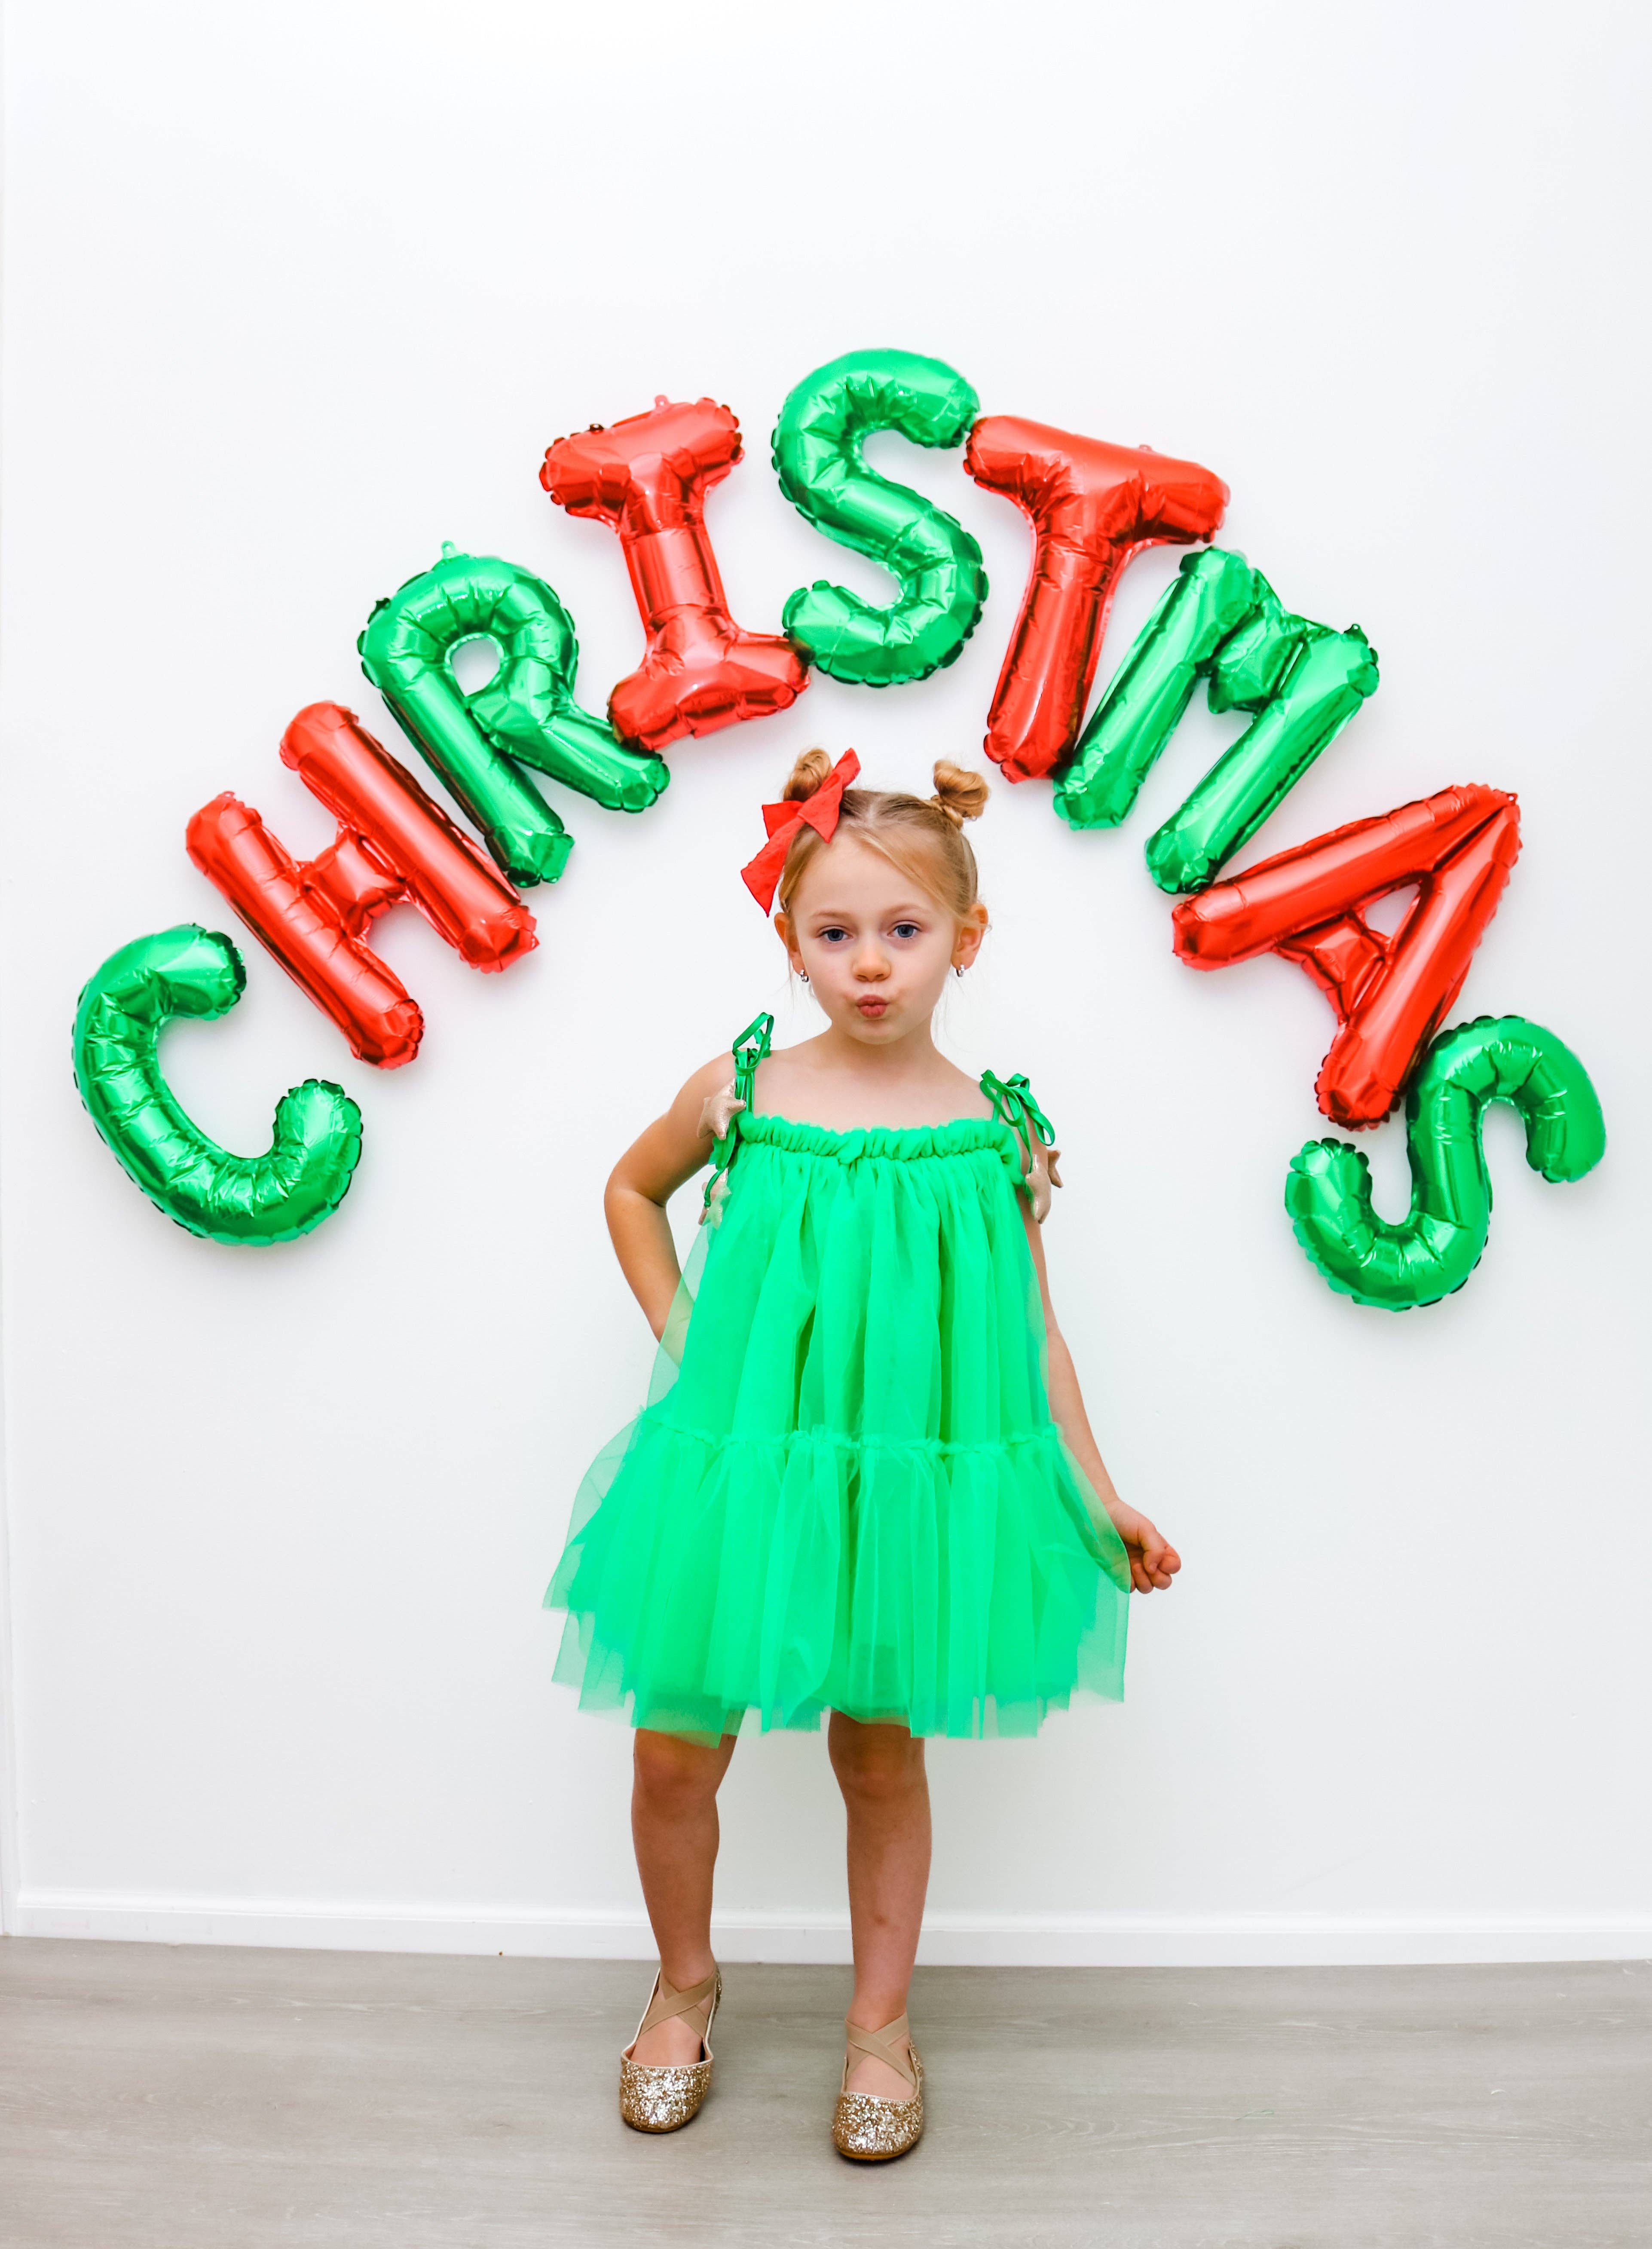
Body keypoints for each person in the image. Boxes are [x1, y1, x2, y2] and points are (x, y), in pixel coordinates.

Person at [546, 747, 1180, 2160]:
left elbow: (1034, 1337)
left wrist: (1096, 1496)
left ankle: (879, 2024)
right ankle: (683, 1986)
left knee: (880, 1751)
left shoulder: (989, 1134)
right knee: (673, 1749)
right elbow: (631, 1192)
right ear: (790, 939)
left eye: (904, 929)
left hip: (903, 1490)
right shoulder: (744, 1091)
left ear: (966, 935)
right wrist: (692, 1340)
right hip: (739, 1472)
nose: (871, 963)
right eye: (834, 932)